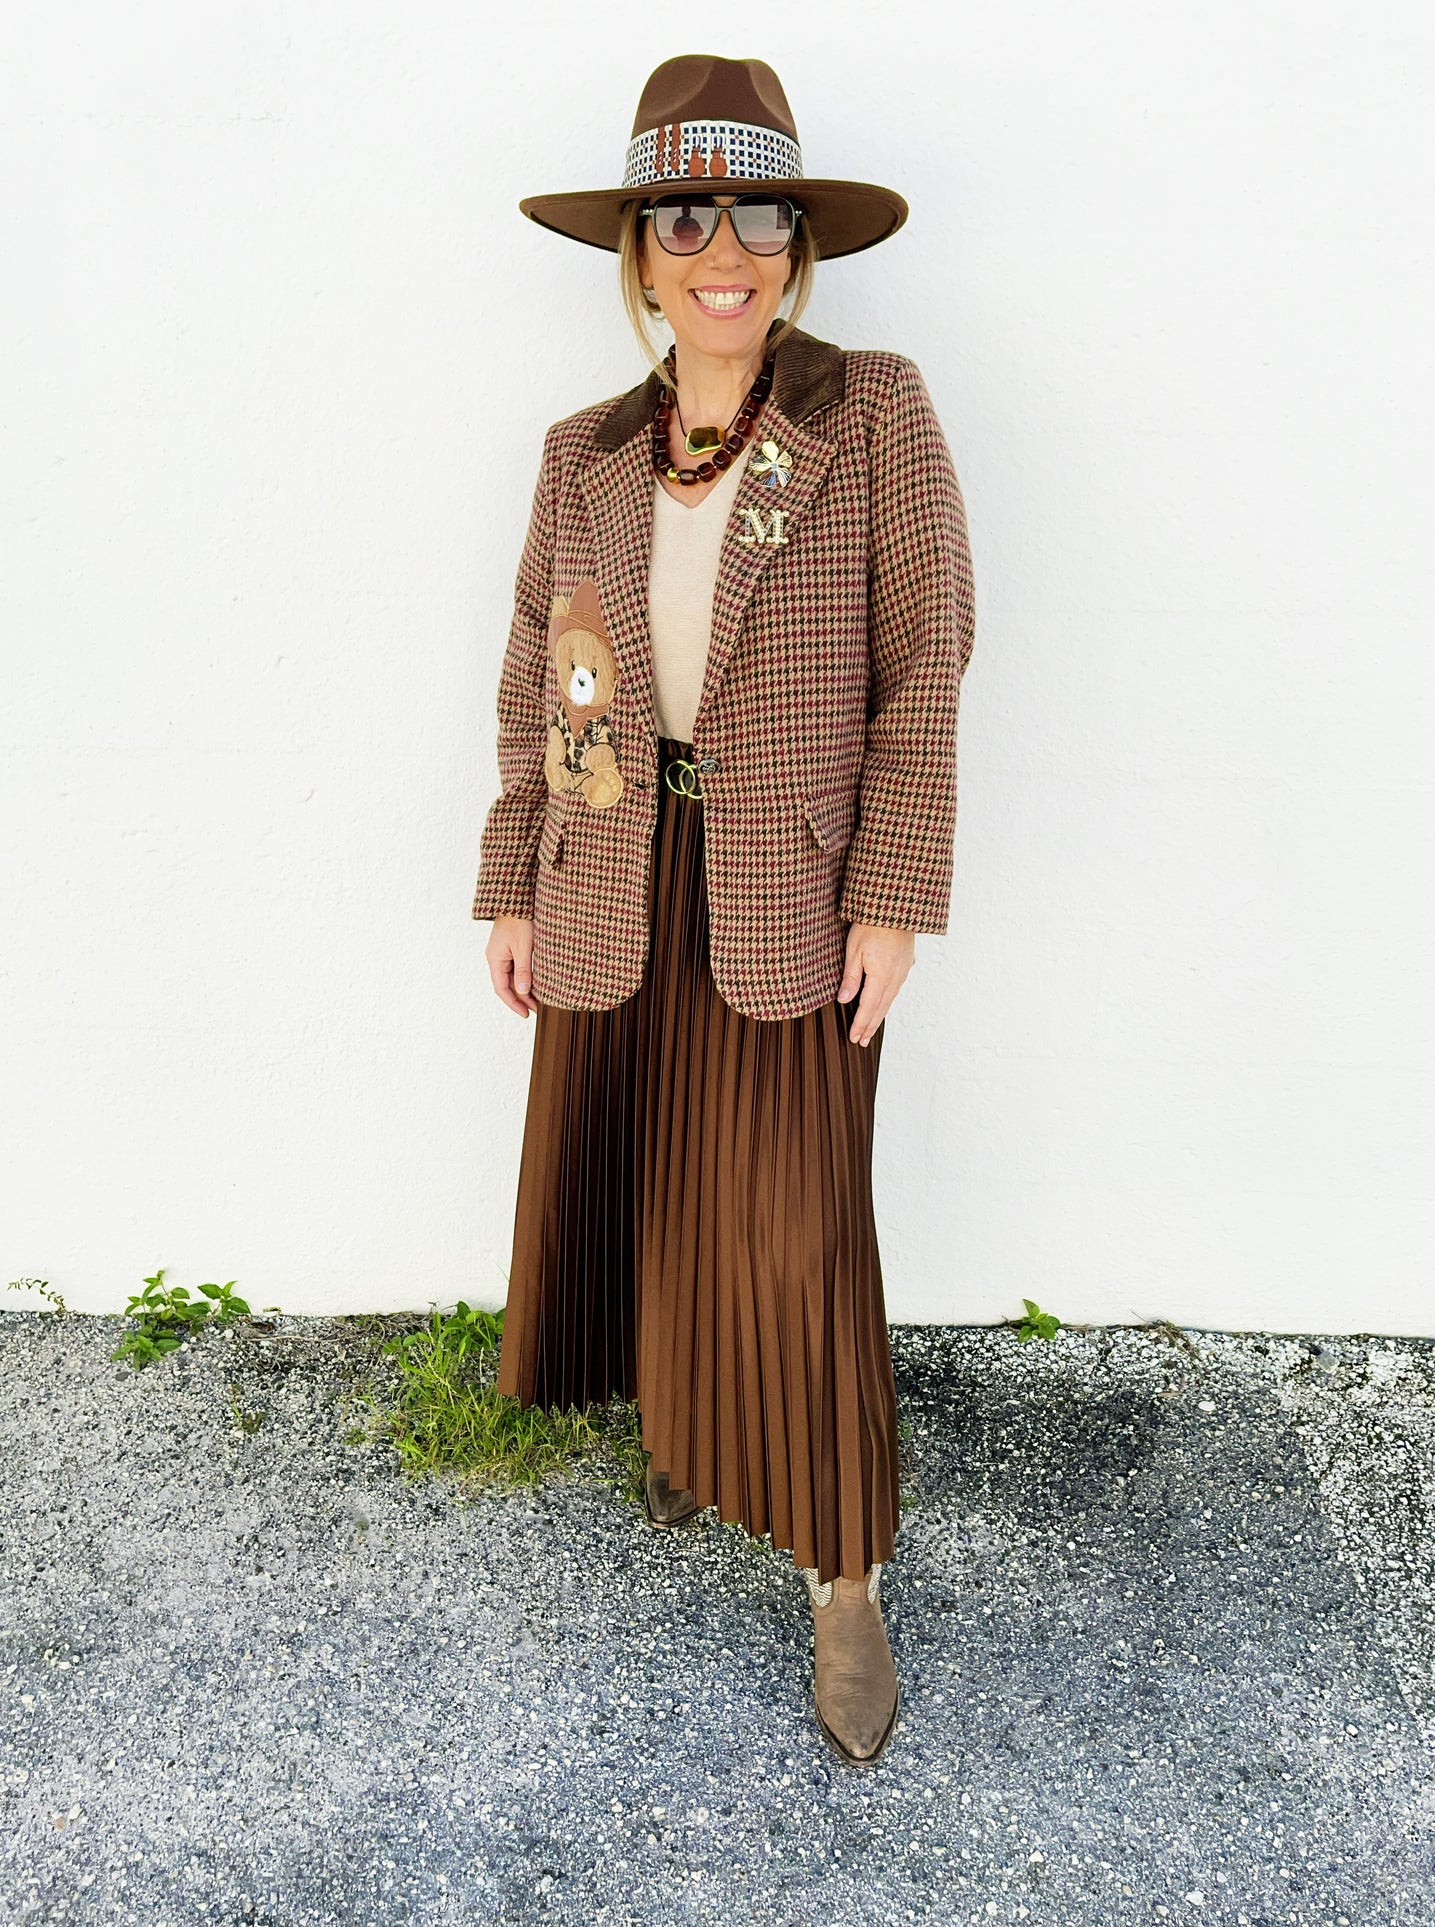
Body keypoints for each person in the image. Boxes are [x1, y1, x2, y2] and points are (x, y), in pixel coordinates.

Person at [471, 54, 975, 1767]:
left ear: (795, 240)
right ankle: (690, 1435)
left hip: (786, 887)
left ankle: (843, 1578)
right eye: (684, 216)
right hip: (614, 868)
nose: (724, 250)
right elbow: (545, 678)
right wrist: (508, 879)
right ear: (637, 249)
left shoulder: (870, 411)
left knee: (796, 1233)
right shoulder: (589, 453)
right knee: (648, 1187)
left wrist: (894, 892)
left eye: (757, 212)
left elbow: (926, 672)